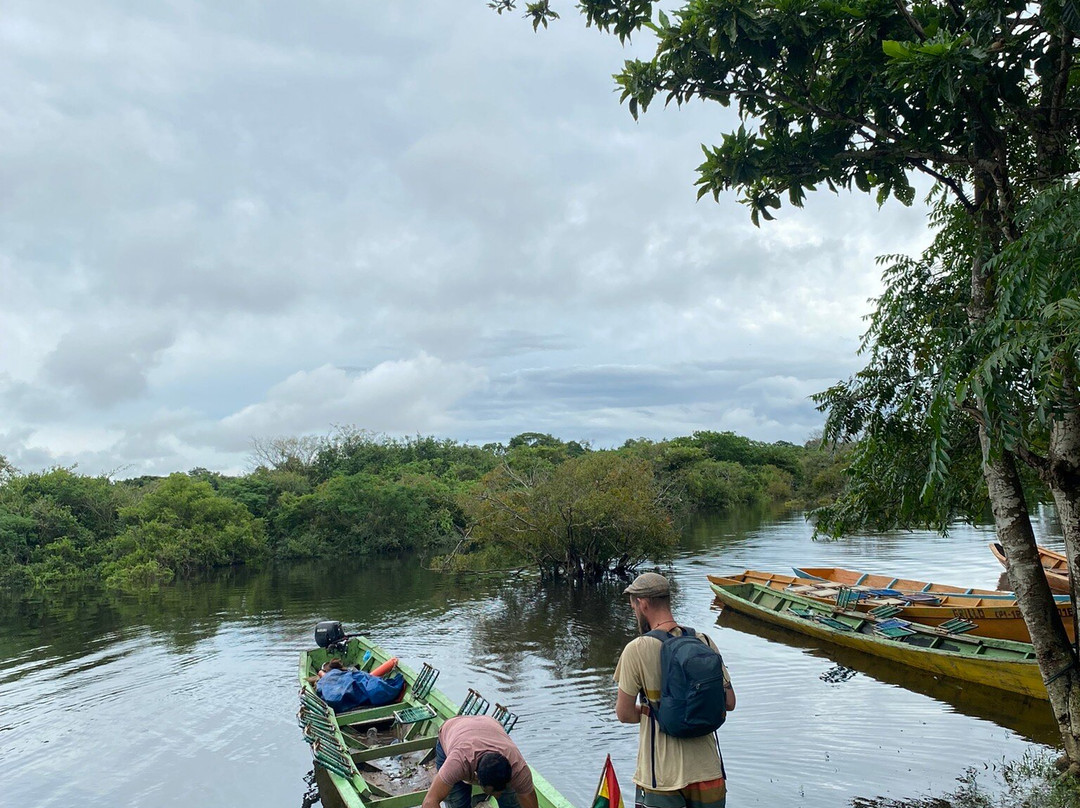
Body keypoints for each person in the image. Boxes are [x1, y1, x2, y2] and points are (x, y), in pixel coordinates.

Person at [614, 572, 736, 808]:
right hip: (709, 772)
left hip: (661, 776)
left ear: (643, 603)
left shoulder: (637, 649)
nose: (634, 611)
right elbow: (729, 702)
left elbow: (624, 713)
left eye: (633, 606)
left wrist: (652, 710)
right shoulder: (704, 641)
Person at [421, 714, 540, 808]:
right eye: (493, 792)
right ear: (476, 777)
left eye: (499, 790)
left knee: (511, 802)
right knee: (457, 802)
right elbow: (429, 802)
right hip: (452, 730)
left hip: (487, 724)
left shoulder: (518, 768)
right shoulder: (457, 762)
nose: (497, 795)